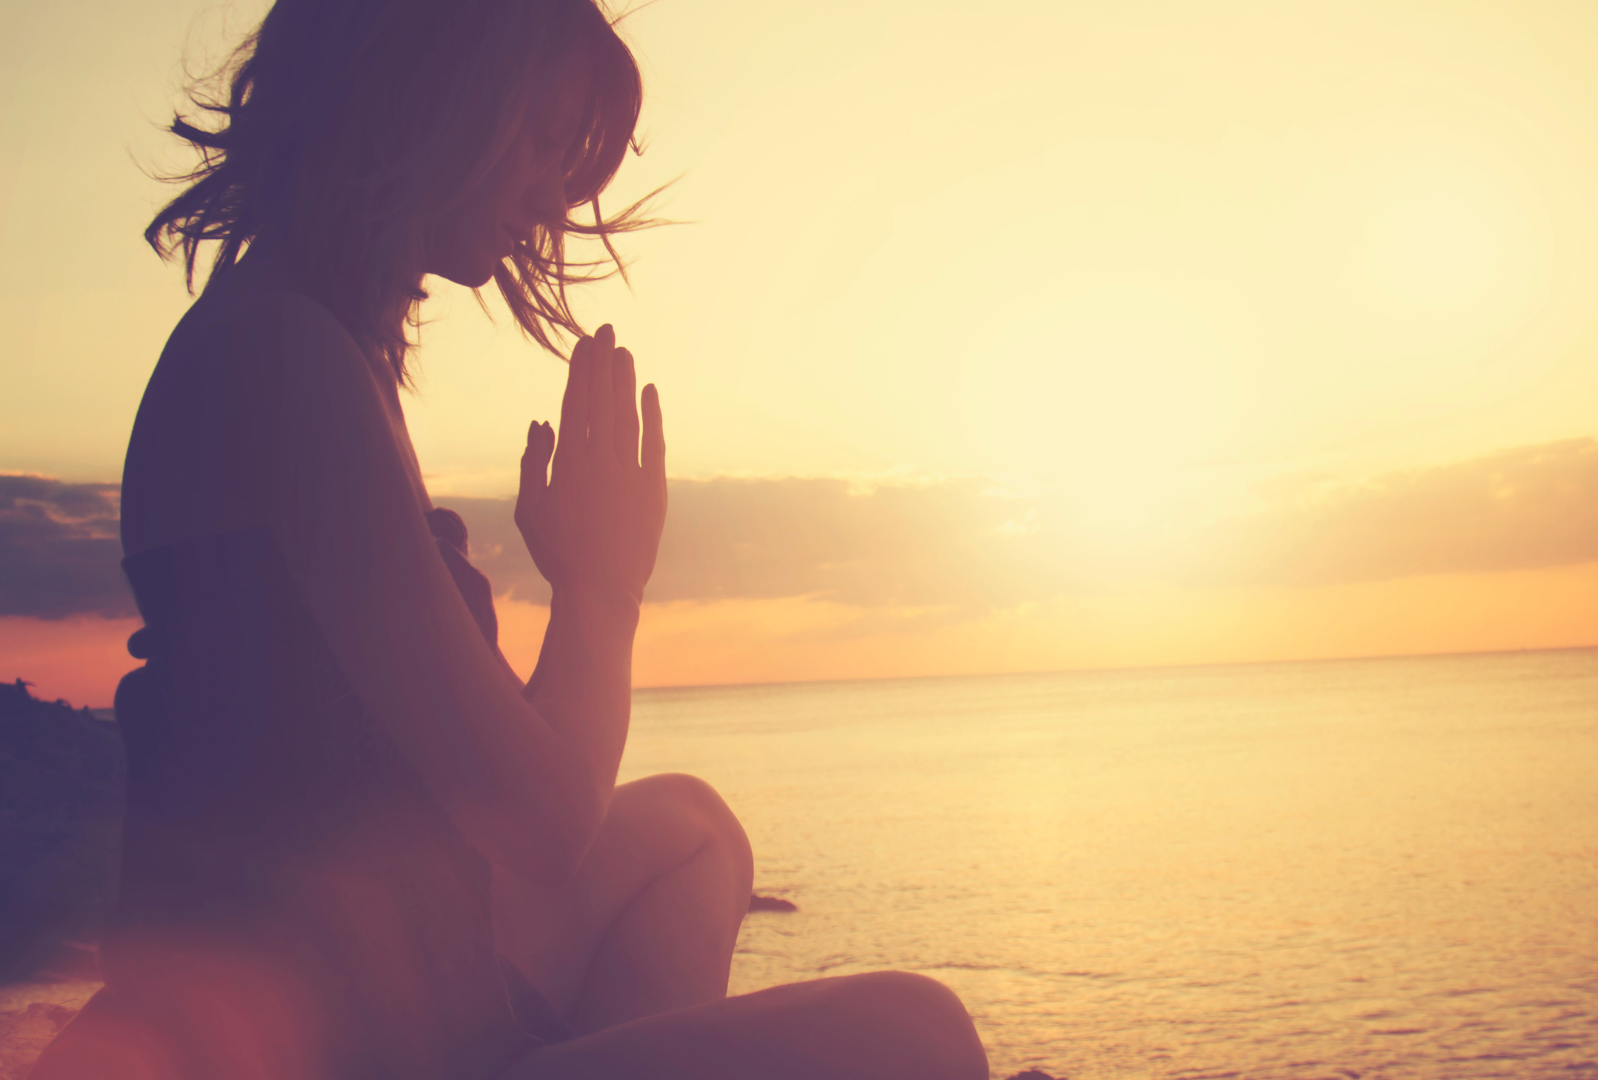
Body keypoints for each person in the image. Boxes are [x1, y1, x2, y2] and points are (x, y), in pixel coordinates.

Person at [27, 1, 989, 1078]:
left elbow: (422, 789)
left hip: (372, 970)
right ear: (427, 94)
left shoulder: (302, 338)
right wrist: (600, 587)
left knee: (692, 832)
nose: (554, 191)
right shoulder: (284, 362)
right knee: (923, 1034)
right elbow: (538, 825)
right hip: (328, 1038)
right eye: (540, 133)